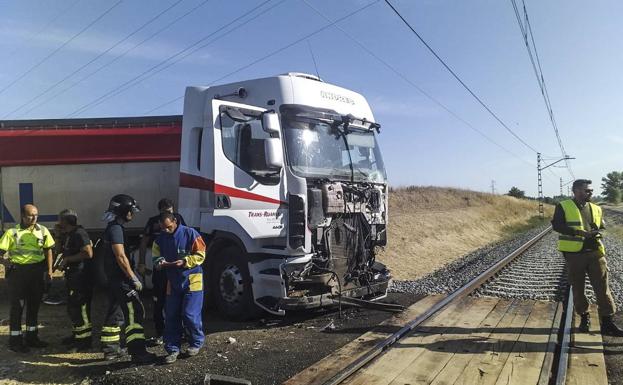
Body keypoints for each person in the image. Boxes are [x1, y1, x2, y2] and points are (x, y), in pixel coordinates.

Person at [551, 179, 623, 336]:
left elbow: (602, 226)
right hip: (574, 255)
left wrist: (600, 232)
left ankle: (608, 323)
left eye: (591, 190)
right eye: (587, 190)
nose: (591, 192)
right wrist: (578, 232)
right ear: (576, 191)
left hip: (596, 253)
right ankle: (584, 317)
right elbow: (557, 225)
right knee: (578, 288)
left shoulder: (597, 208)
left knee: (603, 288)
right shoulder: (563, 206)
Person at [99, 194, 155, 363]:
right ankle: (138, 352)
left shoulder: (113, 227)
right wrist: (133, 278)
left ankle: (111, 350)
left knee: (115, 313)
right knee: (135, 312)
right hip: (122, 281)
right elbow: (121, 257)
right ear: (123, 211)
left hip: (114, 279)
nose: (133, 214)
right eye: (131, 211)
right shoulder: (116, 229)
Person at [0, 204, 55, 353]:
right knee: (17, 307)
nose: (34, 217)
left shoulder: (42, 231)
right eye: (31, 215)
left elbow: (48, 249)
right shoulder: (12, 233)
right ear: (23, 216)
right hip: (18, 273)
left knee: (34, 306)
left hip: (36, 272)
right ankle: (15, 341)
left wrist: (49, 270)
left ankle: (32, 338)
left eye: (36, 214)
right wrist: (6, 262)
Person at [152, 212, 206, 364]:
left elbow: (201, 254)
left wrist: (185, 262)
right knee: (171, 315)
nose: (166, 230)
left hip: (193, 280)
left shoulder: (190, 233)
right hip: (173, 282)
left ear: (175, 221)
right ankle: (172, 349)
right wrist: (160, 262)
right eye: (163, 228)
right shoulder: (160, 239)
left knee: (189, 314)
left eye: (168, 227)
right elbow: (156, 256)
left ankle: (196, 342)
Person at [137, 198, 186, 345]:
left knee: (180, 299)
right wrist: (141, 262)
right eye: (165, 212)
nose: (168, 215)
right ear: (159, 211)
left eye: (170, 211)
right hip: (161, 267)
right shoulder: (153, 222)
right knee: (159, 300)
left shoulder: (178, 218)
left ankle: (180, 331)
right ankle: (161, 332)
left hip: (177, 267)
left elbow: (185, 238)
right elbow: (144, 242)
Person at [55, 209, 94, 352]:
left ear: (64, 221)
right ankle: (77, 335)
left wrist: (68, 259)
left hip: (81, 277)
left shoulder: (79, 233)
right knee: (73, 308)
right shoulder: (68, 235)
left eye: (60, 220)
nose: (58, 223)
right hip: (72, 277)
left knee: (81, 309)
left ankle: (84, 342)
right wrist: (58, 236)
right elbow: (58, 250)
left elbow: (88, 253)